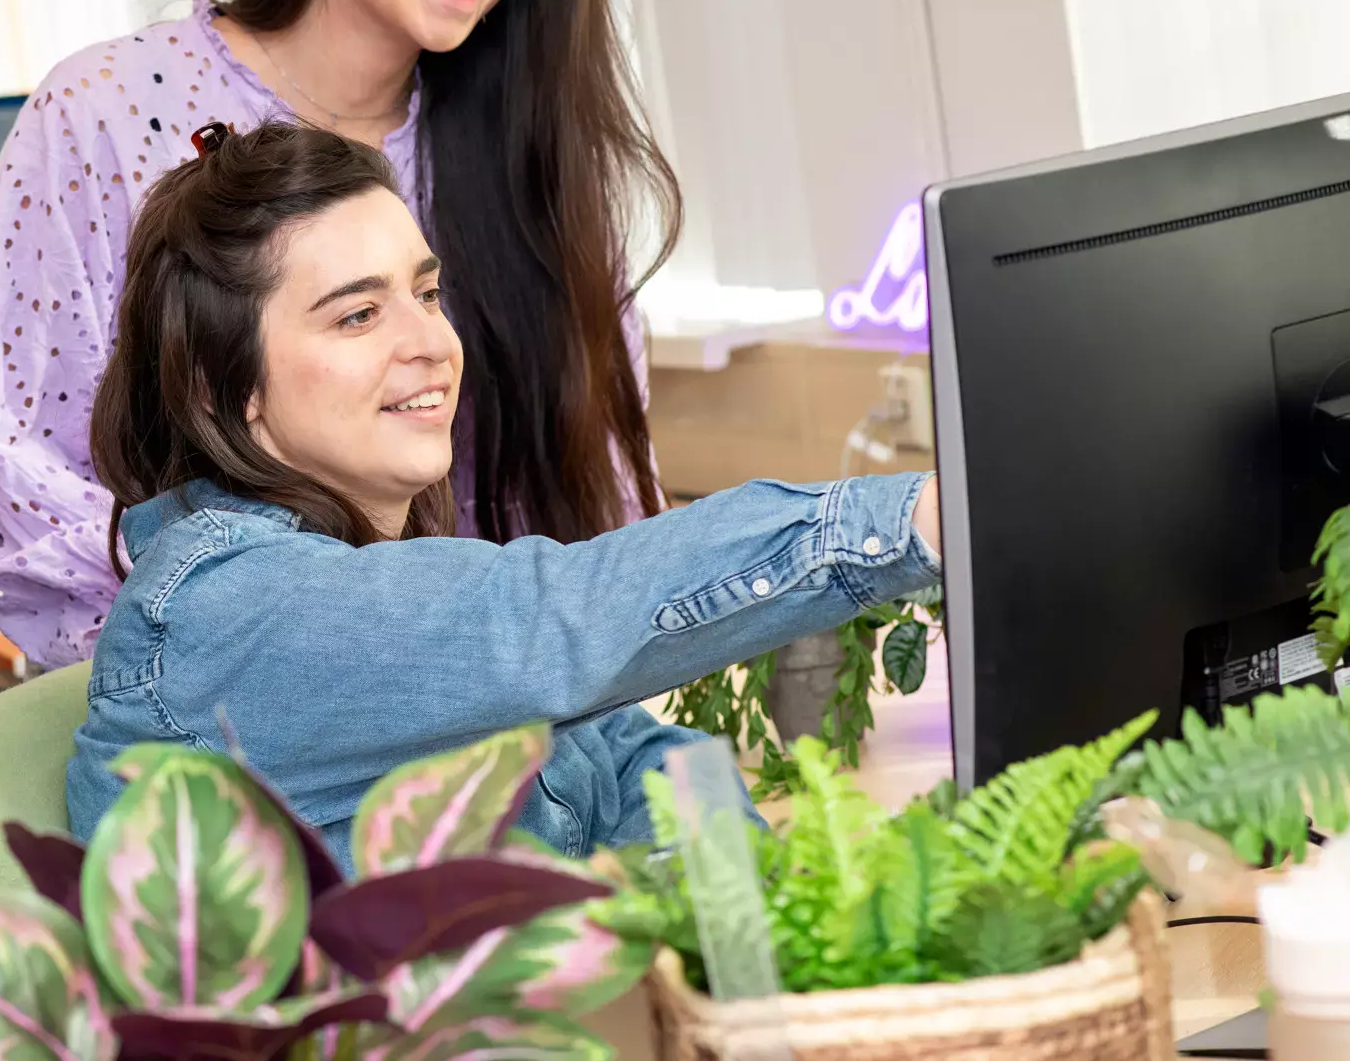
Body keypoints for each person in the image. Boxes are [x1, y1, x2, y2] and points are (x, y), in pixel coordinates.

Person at [0, 0, 680, 669]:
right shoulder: (111, 111)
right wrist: (263, 656)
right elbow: (12, 458)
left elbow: (596, 490)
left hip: (481, 721)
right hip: (202, 720)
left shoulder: (528, 160)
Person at [66, 123, 940, 864]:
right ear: (227, 389)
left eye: (426, 292)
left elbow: (631, 756)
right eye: (357, 315)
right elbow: (548, 622)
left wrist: (746, 951)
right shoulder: (231, 608)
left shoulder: (362, 588)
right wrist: (914, 521)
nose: (434, 343)